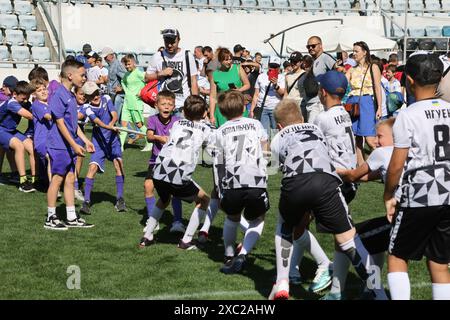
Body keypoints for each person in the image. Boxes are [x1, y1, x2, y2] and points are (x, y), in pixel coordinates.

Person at [269, 99, 387, 300]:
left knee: (285, 225)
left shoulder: (277, 137)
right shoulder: (315, 129)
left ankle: (282, 280)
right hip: (326, 181)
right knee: (350, 241)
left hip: (295, 182)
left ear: (280, 126)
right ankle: (379, 292)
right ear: (302, 117)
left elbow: (281, 164)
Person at [384, 53, 450, 300]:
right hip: (448, 193)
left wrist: (389, 194)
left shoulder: (409, 114)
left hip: (420, 194)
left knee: (398, 256)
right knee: (439, 262)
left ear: (409, 81)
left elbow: (396, 165)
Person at [325, 119, 396, 300]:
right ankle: (369, 290)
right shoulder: (406, 152)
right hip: (419, 218)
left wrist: (332, 170)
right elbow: (366, 177)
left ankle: (341, 291)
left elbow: (354, 175)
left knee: (347, 239)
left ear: (394, 137)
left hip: (401, 222)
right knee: (376, 243)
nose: (376, 141)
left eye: (380, 136)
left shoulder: (382, 153)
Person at [139, 95, 211, 250]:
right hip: (178, 173)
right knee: (204, 200)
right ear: (204, 113)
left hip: (159, 170)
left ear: (184, 111)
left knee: (164, 199)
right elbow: (211, 150)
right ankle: (186, 240)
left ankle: (147, 237)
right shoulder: (206, 129)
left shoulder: (177, 123)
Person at [210, 90, 270, 274]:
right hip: (255, 181)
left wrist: (219, 190)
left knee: (232, 217)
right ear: (244, 107)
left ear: (222, 112)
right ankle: (243, 253)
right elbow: (266, 150)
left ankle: (228, 255)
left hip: (232, 183)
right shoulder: (255, 124)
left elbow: (217, 163)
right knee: (258, 218)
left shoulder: (220, 131)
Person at [45, 59, 95, 230]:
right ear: (70, 75)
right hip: (59, 146)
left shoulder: (70, 95)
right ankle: (51, 217)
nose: (84, 78)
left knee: (70, 179)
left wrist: (86, 140)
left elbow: (72, 126)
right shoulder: (58, 95)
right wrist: (74, 145)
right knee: (57, 179)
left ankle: (71, 217)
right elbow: (60, 124)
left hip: (68, 145)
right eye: (82, 75)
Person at [78, 82, 126, 214]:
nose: (95, 96)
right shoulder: (87, 107)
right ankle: (86, 201)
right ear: (87, 97)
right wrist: (108, 126)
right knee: (92, 168)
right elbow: (97, 122)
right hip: (99, 143)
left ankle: (120, 199)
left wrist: (111, 123)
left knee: (119, 164)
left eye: (95, 93)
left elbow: (114, 113)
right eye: (91, 95)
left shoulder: (106, 98)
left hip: (113, 141)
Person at [143, 90, 185, 234]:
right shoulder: (152, 119)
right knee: (148, 185)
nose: (166, 107)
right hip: (156, 161)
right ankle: (152, 220)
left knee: (174, 192)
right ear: (156, 105)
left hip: (173, 162)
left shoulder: (178, 121)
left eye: (170, 104)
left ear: (174, 107)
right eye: (163, 104)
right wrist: (159, 138)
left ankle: (178, 221)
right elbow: (149, 136)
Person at [145, 28, 198, 116]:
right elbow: (146, 78)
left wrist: (195, 105)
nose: (169, 45)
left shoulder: (187, 56)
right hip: (162, 106)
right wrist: (161, 73)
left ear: (179, 40)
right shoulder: (157, 56)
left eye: (173, 42)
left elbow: (193, 81)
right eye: (166, 42)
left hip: (182, 107)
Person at [346, 41, 382, 165]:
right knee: (356, 137)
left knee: (370, 139)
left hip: (367, 102)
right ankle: (360, 167)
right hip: (353, 103)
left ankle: (385, 162)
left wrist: (379, 108)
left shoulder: (373, 67)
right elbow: (343, 84)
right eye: (353, 51)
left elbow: (377, 88)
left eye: (356, 51)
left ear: (365, 52)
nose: (354, 53)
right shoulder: (351, 69)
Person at [0, 81, 36, 192]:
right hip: (1, 129)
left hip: (11, 131)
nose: (25, 101)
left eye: (27, 98)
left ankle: (36, 179)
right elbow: (30, 116)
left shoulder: (24, 102)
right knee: (19, 146)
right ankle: (23, 181)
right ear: (14, 94)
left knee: (31, 146)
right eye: (23, 99)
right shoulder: (11, 103)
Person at [209, 48, 250, 128]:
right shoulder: (215, 74)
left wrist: (239, 90)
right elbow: (213, 97)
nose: (229, 61)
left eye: (230, 59)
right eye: (226, 60)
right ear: (220, 61)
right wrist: (211, 115)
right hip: (222, 110)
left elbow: (247, 85)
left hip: (238, 107)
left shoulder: (237, 68)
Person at [120, 54, 151, 152]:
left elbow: (150, 81)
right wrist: (126, 91)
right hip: (126, 103)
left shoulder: (139, 73)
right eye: (126, 64)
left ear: (134, 63)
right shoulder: (126, 75)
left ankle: (149, 143)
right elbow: (123, 82)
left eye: (129, 64)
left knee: (139, 125)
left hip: (136, 104)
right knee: (123, 124)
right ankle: (120, 147)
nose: (127, 66)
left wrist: (141, 92)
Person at [250, 56, 285, 136]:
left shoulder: (281, 77)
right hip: (263, 108)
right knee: (264, 133)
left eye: (276, 67)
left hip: (275, 108)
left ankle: (273, 148)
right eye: (272, 66)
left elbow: (282, 93)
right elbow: (256, 94)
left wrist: (276, 85)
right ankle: (266, 147)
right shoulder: (261, 76)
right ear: (268, 65)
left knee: (275, 133)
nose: (273, 68)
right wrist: (252, 110)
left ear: (279, 67)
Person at [30, 78, 52, 188]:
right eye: (39, 90)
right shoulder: (36, 105)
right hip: (42, 141)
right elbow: (49, 117)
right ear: (34, 94)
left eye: (44, 89)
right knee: (51, 157)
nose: (43, 91)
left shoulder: (50, 103)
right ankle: (54, 188)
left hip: (52, 140)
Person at [101, 46, 127, 120]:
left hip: (118, 96)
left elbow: (127, 78)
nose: (104, 59)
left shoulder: (117, 64)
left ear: (111, 55)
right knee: (119, 120)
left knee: (115, 119)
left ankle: (134, 131)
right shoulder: (111, 65)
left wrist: (121, 88)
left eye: (106, 57)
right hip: (113, 95)